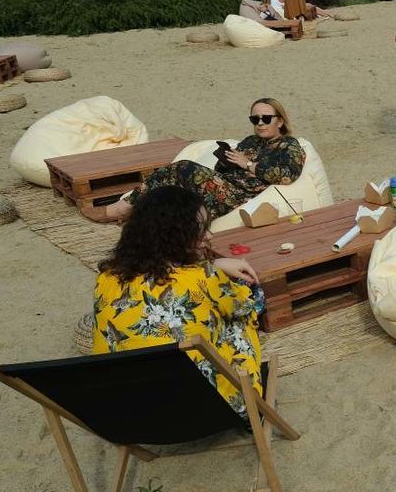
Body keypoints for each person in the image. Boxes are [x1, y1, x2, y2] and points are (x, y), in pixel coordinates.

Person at [93, 186, 265, 415]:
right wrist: (217, 273)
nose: (209, 236)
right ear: (175, 235)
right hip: (210, 409)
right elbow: (245, 308)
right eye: (201, 229)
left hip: (129, 410)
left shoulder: (105, 279)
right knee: (245, 304)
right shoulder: (201, 279)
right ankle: (252, 406)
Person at [100, 99, 305, 224]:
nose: (260, 123)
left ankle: (122, 208)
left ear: (280, 120)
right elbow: (223, 169)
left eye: (266, 119)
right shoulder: (251, 141)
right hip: (224, 185)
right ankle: (136, 213)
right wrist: (227, 160)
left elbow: (287, 176)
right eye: (255, 119)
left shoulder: (289, 145)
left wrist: (248, 165)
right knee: (170, 180)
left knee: (183, 168)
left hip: (239, 194)